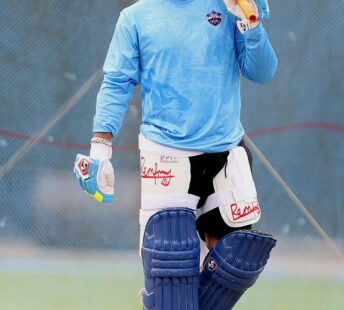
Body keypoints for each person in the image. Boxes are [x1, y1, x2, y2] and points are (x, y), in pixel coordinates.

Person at [74, 0, 277, 308]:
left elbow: (263, 72)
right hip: (166, 155)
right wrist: (100, 147)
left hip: (226, 152)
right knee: (171, 271)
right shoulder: (135, 18)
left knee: (237, 262)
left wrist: (252, 23)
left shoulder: (228, 5)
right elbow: (116, 83)